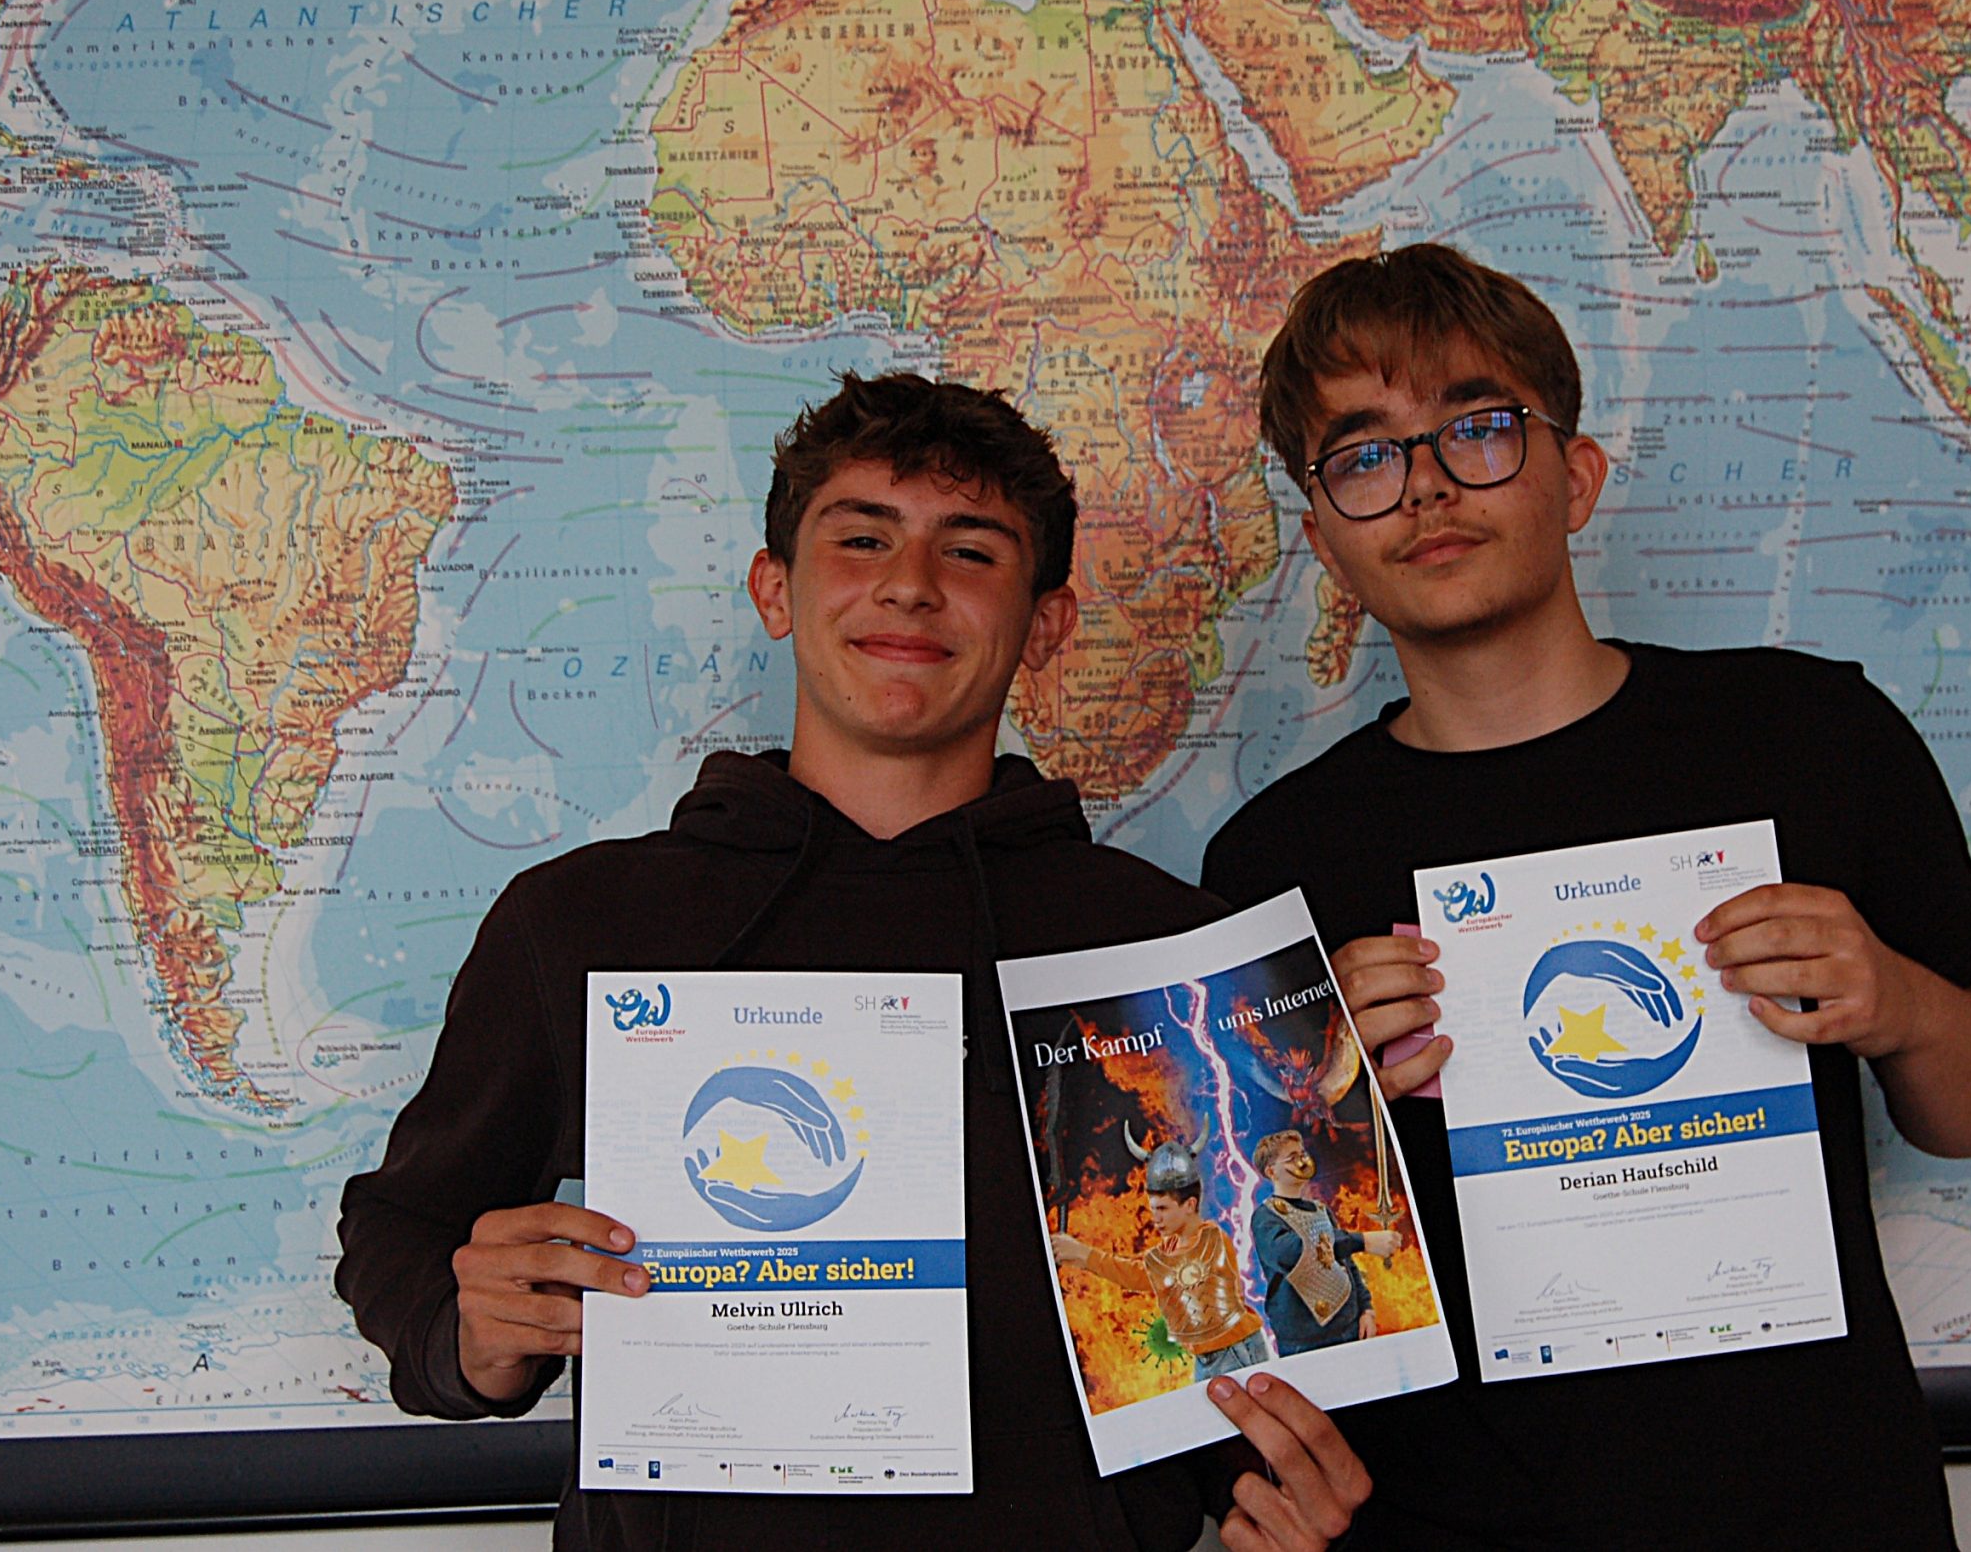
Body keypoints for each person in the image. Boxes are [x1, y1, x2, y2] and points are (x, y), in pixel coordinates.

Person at [338, 373, 1370, 1552]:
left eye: (970, 550)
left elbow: (1242, 1312)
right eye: (862, 537)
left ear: (1046, 623)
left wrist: (1274, 1494)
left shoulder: (1171, 953)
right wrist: (468, 1334)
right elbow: (400, 1229)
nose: (910, 583)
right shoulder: (583, 921)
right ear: (774, 589)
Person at [1200, 246, 1971, 1549]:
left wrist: (1900, 1002)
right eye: (1364, 455)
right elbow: (1276, 1270)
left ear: (1578, 475)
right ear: (1325, 539)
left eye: (1477, 428)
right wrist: (1323, 1113)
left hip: (1820, 1513)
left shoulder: (1809, 735)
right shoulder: (1271, 861)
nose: (1425, 484)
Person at [1051, 1127, 1271, 1380]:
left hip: (1236, 1351)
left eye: (1163, 1209)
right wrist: (1079, 1257)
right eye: (1153, 1209)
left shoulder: (1210, 1240)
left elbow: (1144, 1273)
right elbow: (1141, 1265)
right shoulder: (1172, 1247)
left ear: (1189, 1205)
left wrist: (1084, 1254)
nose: (1155, 1218)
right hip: (1207, 1356)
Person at [1249, 1130, 1397, 1356]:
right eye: (1292, 1158)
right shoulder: (1265, 1218)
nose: (1302, 1161)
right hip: (1305, 1342)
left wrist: (1366, 1309)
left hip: (1350, 1327)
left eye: (1302, 1154)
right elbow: (1294, 1253)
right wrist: (1362, 1241)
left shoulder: (1320, 1210)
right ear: (1271, 1171)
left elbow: (1346, 1264)